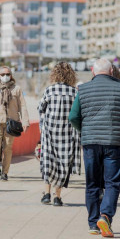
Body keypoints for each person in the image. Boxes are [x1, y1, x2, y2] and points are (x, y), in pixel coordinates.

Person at [69, 58, 120, 237]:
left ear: (93, 72)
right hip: (115, 142)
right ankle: (105, 216)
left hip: (91, 143)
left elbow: (73, 117)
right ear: (111, 72)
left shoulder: (83, 89)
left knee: (92, 183)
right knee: (112, 183)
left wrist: (84, 130)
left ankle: (93, 223)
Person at [38, 62, 81, 207]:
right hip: (67, 133)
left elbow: (41, 109)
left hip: (50, 132)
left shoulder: (49, 90)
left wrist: (42, 128)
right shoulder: (74, 92)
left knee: (48, 162)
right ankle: (57, 197)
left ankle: (46, 194)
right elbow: (77, 114)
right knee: (63, 164)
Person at [0, 66, 30, 181]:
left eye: (7, 74)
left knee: (8, 147)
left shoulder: (16, 89)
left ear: (11, 75)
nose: (5, 76)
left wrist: (25, 121)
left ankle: (5, 172)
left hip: (11, 122)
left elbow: (22, 106)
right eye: (3, 74)